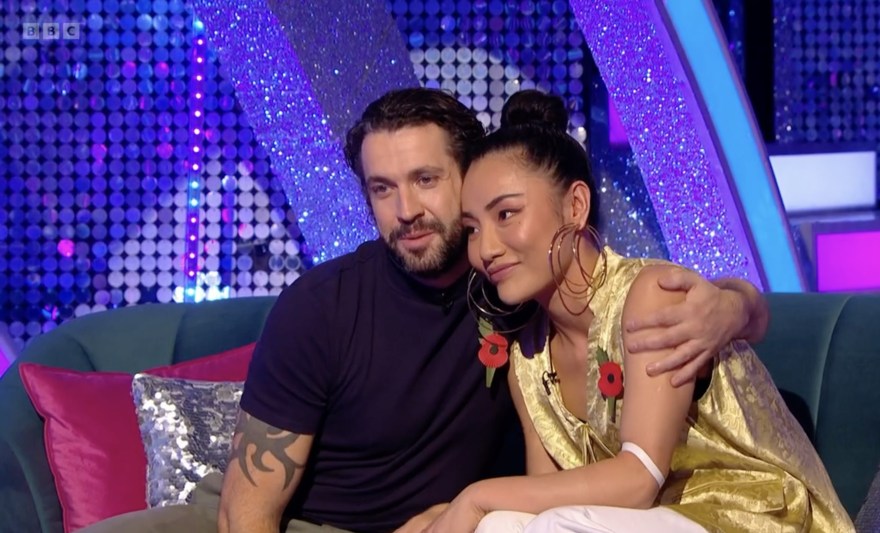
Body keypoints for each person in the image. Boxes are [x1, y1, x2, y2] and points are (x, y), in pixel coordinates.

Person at [81, 88, 770, 533]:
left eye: (425, 180)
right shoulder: (323, 306)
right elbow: (246, 512)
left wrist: (733, 304)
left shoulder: (514, 296)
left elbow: (629, 303)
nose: (405, 209)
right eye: (382, 188)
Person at [422, 90, 855, 532]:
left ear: (575, 205)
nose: (486, 249)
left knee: (549, 525)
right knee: (501, 525)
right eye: (472, 229)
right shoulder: (526, 355)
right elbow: (542, 494)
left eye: (507, 214)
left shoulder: (649, 294)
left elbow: (638, 480)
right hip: (634, 522)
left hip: (740, 514)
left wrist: (475, 496)